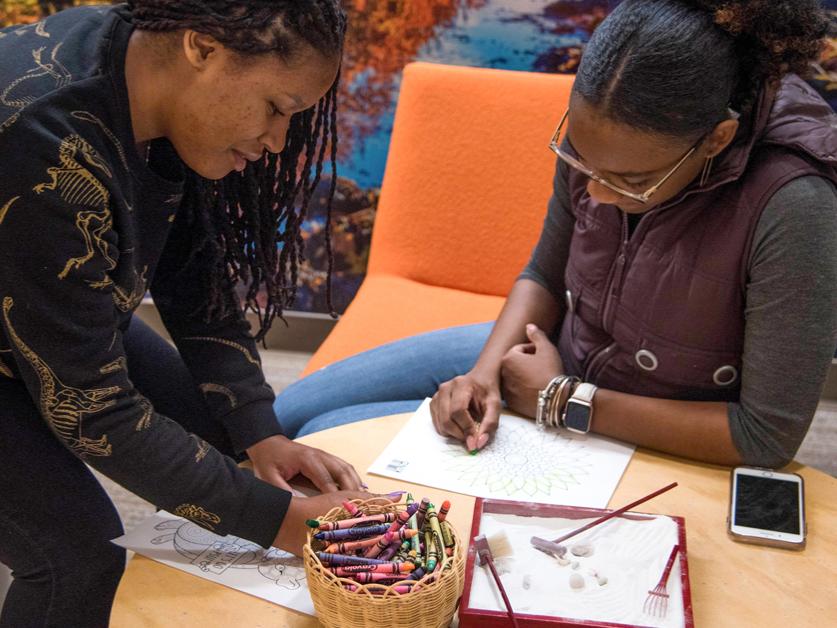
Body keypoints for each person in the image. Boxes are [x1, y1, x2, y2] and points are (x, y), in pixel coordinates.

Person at [275, 0, 837, 469]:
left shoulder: (796, 206)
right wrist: (484, 375)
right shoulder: (605, 134)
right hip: (554, 358)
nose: (595, 194)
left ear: (717, 139)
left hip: (654, 426)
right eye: (582, 162)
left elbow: (765, 437)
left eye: (630, 181)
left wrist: (563, 401)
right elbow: (545, 272)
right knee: (285, 417)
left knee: (324, 435)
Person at [0, 1, 374, 625]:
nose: (278, 141)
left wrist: (260, 428)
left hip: (44, 307)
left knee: (224, 428)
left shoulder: (155, 86)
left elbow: (193, 270)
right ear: (203, 48)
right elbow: (92, 410)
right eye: (277, 109)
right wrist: (279, 523)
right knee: (78, 557)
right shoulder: (41, 137)